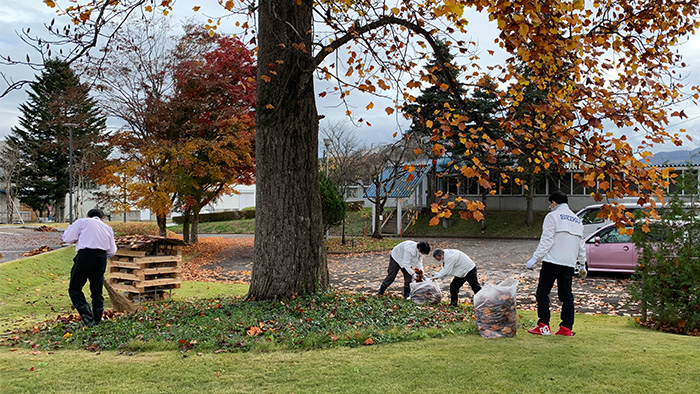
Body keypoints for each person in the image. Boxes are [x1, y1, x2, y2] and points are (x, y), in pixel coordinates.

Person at [526, 191, 585, 336]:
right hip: (569, 263)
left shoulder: (552, 216)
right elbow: (580, 245)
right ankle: (566, 327)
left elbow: (547, 240)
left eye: (550, 204)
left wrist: (534, 258)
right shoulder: (577, 219)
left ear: (554, 203)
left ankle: (544, 325)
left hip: (552, 260)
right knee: (566, 296)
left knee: (543, 293)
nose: (550, 206)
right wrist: (582, 264)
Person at [62, 208, 117, 326]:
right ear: (102, 218)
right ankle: (97, 319)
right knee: (97, 291)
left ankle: (88, 317)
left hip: (85, 256)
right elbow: (112, 251)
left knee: (75, 288)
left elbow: (67, 238)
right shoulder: (107, 228)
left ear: (88, 216)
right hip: (101, 258)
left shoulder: (82, 222)